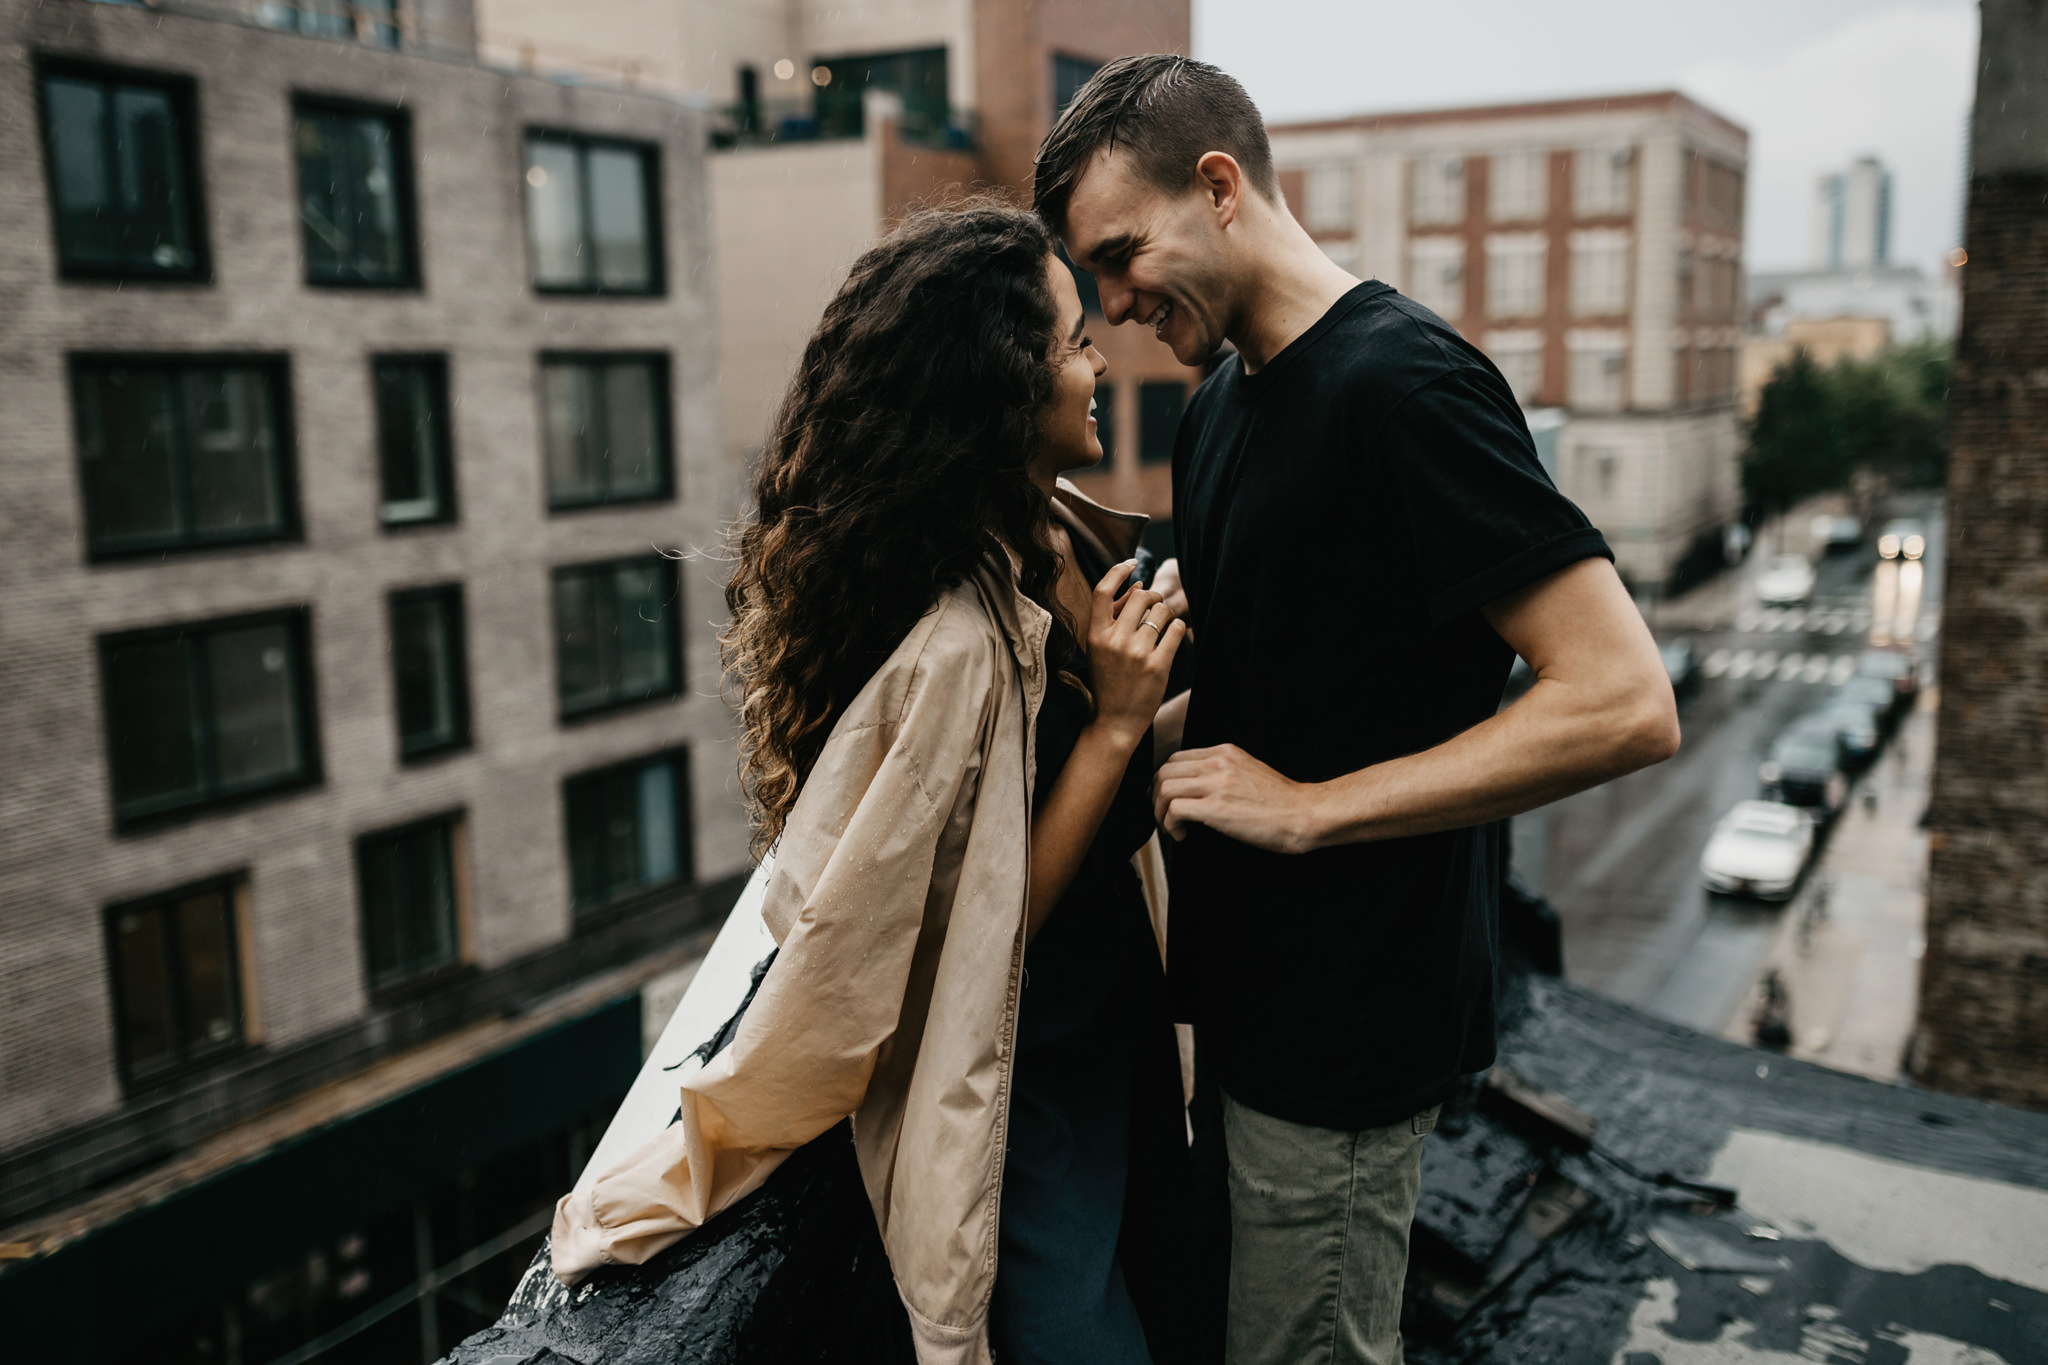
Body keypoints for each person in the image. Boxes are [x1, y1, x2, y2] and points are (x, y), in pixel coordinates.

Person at [1035, 56, 1681, 1365]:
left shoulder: (1405, 385)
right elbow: (1271, 653)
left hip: (1349, 1031)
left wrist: (1314, 809)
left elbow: (1622, 700)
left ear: (1219, 186)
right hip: (1244, 1010)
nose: (1109, 306)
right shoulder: (1222, 401)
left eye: (1120, 255)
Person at [547, 203, 1210, 1364]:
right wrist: (1113, 725)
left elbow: (1049, 787)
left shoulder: (1048, 541)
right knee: (1082, 1336)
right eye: (1068, 342)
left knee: (1170, 1291)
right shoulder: (950, 637)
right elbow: (981, 920)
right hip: (1028, 1066)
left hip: (1118, 1027)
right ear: (997, 390)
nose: (1100, 354)